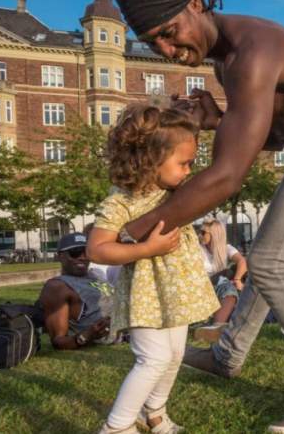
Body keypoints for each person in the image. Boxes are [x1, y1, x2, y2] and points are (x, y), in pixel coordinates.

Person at [113, 0, 284, 430]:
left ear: (197, 4)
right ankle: (228, 355)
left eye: (169, 31)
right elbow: (273, 135)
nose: (165, 49)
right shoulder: (229, 62)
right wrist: (220, 121)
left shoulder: (250, 52)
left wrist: (133, 230)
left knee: (274, 263)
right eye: (152, 42)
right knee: (266, 257)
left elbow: (226, 177)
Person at [87, 104, 220, 434]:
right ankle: (117, 427)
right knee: (154, 359)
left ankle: (154, 413)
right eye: (183, 163)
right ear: (149, 160)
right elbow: (97, 248)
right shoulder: (122, 201)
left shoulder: (176, 192)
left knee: (175, 355)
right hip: (146, 295)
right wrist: (145, 249)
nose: (189, 170)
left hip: (176, 293)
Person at [36, 232, 112, 350]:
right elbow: (58, 341)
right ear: (60, 256)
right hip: (105, 337)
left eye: (86, 252)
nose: (82, 257)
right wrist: (87, 336)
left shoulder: (96, 274)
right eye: (75, 253)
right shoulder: (58, 286)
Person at [194, 218, 248, 342]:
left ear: (214, 234)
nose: (199, 235)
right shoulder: (197, 249)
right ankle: (217, 326)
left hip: (219, 285)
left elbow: (242, 261)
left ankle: (215, 326)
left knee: (232, 282)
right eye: (200, 231)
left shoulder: (226, 248)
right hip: (202, 286)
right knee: (227, 283)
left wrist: (237, 279)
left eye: (203, 232)